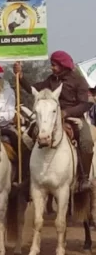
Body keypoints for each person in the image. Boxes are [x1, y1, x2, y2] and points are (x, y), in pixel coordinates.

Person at [14, 50, 93, 191]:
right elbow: (34, 90)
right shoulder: (51, 80)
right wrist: (21, 78)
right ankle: (27, 177)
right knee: (26, 138)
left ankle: (84, 178)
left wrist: (66, 112)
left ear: (63, 65)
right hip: (49, 118)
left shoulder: (78, 81)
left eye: (54, 65)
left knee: (87, 141)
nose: (52, 68)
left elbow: (85, 104)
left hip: (74, 117)